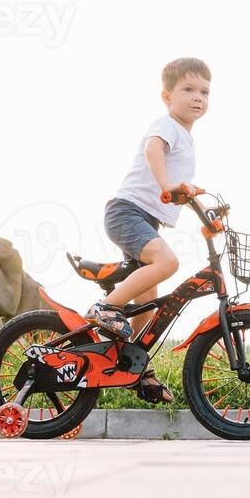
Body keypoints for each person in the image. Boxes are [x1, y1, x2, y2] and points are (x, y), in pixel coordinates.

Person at [84, 57, 211, 404]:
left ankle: (137, 366)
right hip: (127, 212)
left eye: (204, 91)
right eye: (188, 89)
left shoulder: (185, 136)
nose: (197, 97)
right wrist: (168, 183)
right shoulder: (167, 125)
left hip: (144, 218)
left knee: (148, 306)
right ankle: (105, 308)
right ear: (167, 96)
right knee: (167, 262)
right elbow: (153, 150)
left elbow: (172, 187)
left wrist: (191, 196)